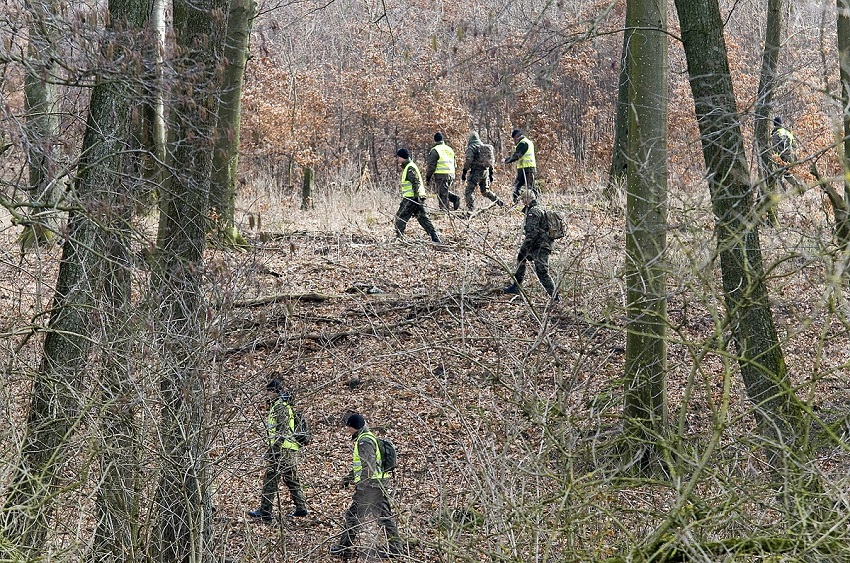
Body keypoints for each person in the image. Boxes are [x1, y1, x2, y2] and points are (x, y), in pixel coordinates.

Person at [330, 413, 402, 559]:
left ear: (354, 427)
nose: (347, 429)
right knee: (385, 517)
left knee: (353, 516)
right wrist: (348, 478)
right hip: (377, 485)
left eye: (348, 426)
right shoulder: (368, 438)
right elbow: (362, 465)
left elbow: (367, 467)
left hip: (370, 487)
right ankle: (396, 548)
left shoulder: (365, 442)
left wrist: (361, 487)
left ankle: (344, 548)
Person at [247, 379, 308, 522]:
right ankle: (301, 508)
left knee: (271, 479)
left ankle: (265, 511)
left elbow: (281, 430)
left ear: (274, 391)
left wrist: (273, 449)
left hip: (281, 449)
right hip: (289, 448)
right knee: (291, 480)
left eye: (268, 391)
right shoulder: (284, 405)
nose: (266, 394)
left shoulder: (279, 406)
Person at [504, 189, 559, 301]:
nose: (523, 202)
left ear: (528, 199)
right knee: (521, 260)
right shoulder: (540, 208)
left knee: (542, 272)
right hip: (539, 245)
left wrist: (524, 249)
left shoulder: (533, 212)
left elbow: (531, 234)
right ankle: (516, 286)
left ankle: (555, 297)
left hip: (540, 246)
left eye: (524, 199)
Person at [394, 148, 441, 243]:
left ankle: (399, 239)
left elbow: (416, 182)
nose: (397, 159)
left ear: (403, 157)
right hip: (418, 197)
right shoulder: (410, 166)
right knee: (423, 218)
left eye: (398, 157)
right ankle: (435, 238)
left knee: (400, 217)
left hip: (411, 198)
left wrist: (415, 197)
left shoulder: (410, 168)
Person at [461, 132, 505, 212]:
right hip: (486, 172)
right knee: (485, 192)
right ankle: (500, 203)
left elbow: (469, 160)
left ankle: (471, 209)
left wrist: (464, 172)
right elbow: (491, 162)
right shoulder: (484, 148)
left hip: (475, 173)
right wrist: (491, 174)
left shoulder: (471, 147)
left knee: (469, 191)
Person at [425, 132, 461, 211]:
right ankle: (454, 199)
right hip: (451, 173)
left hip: (441, 174)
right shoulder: (449, 149)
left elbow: (431, 166)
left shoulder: (435, 150)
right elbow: (455, 164)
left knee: (441, 194)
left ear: (435, 140)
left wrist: (428, 177)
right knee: (443, 191)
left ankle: (444, 211)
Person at [770, 117, 803, 192]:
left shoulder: (776, 134)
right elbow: (795, 146)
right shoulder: (788, 132)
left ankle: (783, 193)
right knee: (787, 174)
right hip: (791, 156)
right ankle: (799, 187)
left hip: (782, 157)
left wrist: (776, 158)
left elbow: (775, 148)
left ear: (774, 124)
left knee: (778, 176)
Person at [504, 129, 537, 202]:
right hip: (528, 168)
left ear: (516, 137)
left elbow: (517, 155)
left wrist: (507, 161)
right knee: (530, 188)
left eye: (514, 139)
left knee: (518, 187)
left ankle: (516, 202)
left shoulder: (523, 143)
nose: (514, 141)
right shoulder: (528, 142)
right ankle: (532, 202)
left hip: (526, 169)